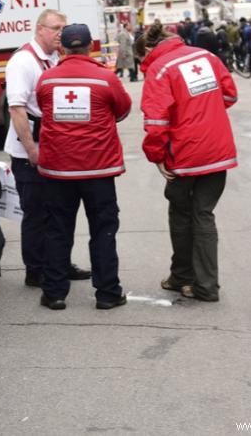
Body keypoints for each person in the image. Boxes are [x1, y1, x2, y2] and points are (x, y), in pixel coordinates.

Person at [135, 23, 237, 303]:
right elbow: (229, 95)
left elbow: (156, 123)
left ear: (147, 50)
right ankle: (205, 284)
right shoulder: (207, 57)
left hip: (185, 154)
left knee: (181, 211)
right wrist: (205, 111)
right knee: (204, 213)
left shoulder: (160, 69)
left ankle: (183, 276)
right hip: (219, 149)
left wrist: (156, 156)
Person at [35, 24, 132, 310]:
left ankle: (54, 293)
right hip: (98, 170)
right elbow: (123, 110)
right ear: (91, 46)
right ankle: (107, 293)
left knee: (57, 230)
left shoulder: (46, 80)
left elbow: (42, 109)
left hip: (58, 170)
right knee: (103, 230)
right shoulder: (105, 78)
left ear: (62, 48)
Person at [4, 8, 90, 289]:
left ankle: (59, 264)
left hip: (51, 146)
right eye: (56, 28)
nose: (61, 33)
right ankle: (37, 270)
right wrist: (31, 151)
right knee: (37, 212)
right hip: (30, 149)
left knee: (57, 210)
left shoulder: (53, 58)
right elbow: (16, 109)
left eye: (64, 28)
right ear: (40, 29)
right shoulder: (23, 61)